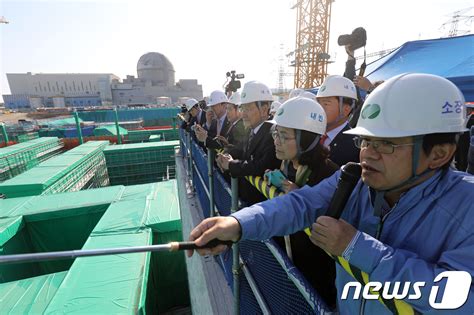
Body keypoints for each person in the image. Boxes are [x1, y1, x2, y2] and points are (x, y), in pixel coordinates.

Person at [188, 73, 474, 314]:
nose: (367, 154)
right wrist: (237, 224)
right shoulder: (354, 179)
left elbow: (458, 296)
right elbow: (300, 204)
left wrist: (355, 246)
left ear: (439, 154)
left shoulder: (467, 206)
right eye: (365, 141)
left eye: (385, 144)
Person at [267, 96, 339, 307]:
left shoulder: (329, 175)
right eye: (275, 134)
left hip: (318, 273)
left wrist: (299, 195)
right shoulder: (288, 166)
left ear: (306, 140)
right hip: (293, 261)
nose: (276, 141)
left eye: (283, 136)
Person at [216, 81, 280, 205]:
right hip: (248, 199)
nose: (243, 114)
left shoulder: (273, 134)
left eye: (248, 108)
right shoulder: (251, 129)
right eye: (242, 108)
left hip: (261, 206)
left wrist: (231, 165)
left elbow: (260, 166)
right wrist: (226, 153)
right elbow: (241, 151)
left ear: (264, 109)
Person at [316, 75, 360, 166]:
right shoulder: (312, 134)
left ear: (346, 109)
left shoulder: (355, 146)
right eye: (318, 103)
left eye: (326, 103)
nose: (319, 108)